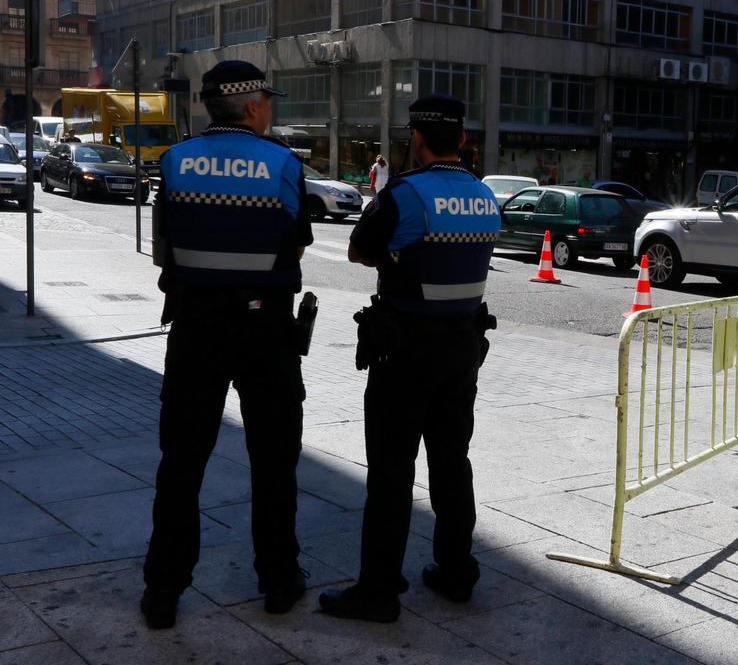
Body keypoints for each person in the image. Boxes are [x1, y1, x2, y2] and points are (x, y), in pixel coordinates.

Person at [141, 61, 313, 630]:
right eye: (268, 99)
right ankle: (279, 582)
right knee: (274, 461)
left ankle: (163, 590)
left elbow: (166, 247)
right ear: (253, 106)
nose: (271, 108)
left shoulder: (175, 162)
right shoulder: (284, 165)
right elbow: (298, 241)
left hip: (195, 328)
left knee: (182, 462)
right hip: (266, 332)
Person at [319, 95, 499, 623]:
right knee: (451, 463)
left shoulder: (404, 194)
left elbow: (357, 248)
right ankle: (456, 572)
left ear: (416, 140)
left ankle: (377, 590)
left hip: (405, 349)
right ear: (462, 141)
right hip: (463, 349)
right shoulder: (485, 197)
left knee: (392, 473)